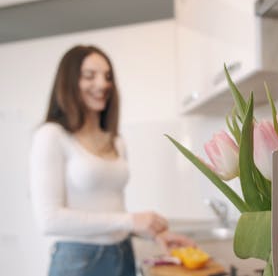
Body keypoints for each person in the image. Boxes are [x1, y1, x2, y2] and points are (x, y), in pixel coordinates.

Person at [29, 45, 194, 276]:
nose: (102, 84)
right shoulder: (51, 135)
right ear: (68, 82)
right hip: (78, 261)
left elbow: (111, 208)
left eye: (108, 77)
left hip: (122, 254)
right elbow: (50, 220)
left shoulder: (116, 140)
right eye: (90, 76)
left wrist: (154, 232)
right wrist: (130, 221)